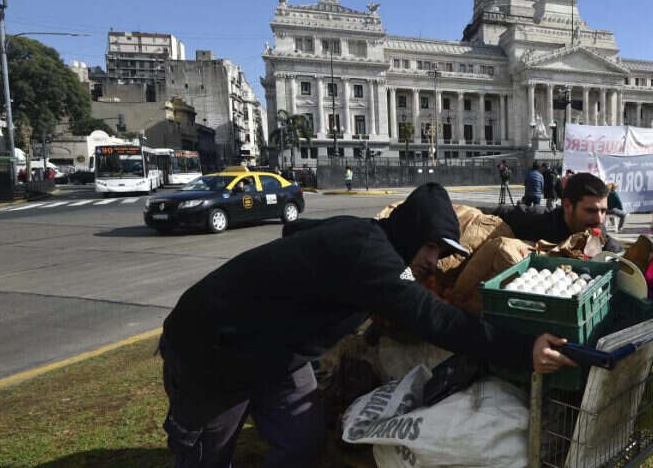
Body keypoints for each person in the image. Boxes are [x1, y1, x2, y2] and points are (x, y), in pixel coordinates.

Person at [158, 183, 575, 467]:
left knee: (301, 439)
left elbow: (296, 229)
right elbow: (436, 320)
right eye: (429, 247)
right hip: (213, 347)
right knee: (207, 453)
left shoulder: (365, 236)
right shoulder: (368, 254)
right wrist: (524, 348)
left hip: (280, 354)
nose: (433, 261)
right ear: (410, 232)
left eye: (441, 251)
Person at [496, 172, 623, 252]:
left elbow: (611, 247)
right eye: (591, 210)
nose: (599, 219)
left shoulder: (598, 233)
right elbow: (497, 215)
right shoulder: (539, 220)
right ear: (568, 206)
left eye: (603, 211)